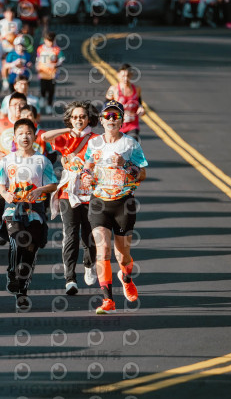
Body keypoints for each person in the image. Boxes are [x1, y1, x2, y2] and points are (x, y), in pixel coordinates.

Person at [81, 100, 148, 315]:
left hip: (123, 203)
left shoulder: (130, 144)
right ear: (101, 120)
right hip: (99, 202)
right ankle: (108, 300)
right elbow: (87, 167)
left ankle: (126, 277)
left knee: (122, 256)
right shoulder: (94, 143)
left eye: (115, 116)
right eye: (107, 116)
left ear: (121, 121)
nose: (111, 119)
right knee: (103, 251)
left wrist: (125, 165)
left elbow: (142, 173)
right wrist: (85, 177)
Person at [0, 118, 58, 310]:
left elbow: (53, 184)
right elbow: (0, 182)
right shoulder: (7, 160)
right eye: (21, 133)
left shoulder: (42, 160)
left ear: (35, 137)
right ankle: (12, 272)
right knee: (16, 240)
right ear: (14, 137)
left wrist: (41, 190)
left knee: (30, 249)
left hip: (35, 209)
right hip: (13, 208)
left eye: (29, 133)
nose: (25, 136)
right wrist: (5, 193)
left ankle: (22, 291)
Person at [42, 101, 99, 295]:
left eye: (82, 116)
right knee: (71, 234)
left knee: (89, 234)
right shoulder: (65, 137)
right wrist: (67, 130)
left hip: (90, 194)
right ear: (70, 119)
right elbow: (44, 137)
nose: (78, 120)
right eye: (74, 117)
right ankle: (70, 279)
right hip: (68, 192)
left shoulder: (97, 140)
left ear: (89, 118)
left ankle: (89, 264)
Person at [0, 91, 27, 230]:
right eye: (14, 105)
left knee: (21, 206)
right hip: (1, 172)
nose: (18, 108)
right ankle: (4, 230)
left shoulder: (29, 126)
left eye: (21, 105)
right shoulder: (0, 124)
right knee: (1, 204)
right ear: (8, 107)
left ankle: (18, 232)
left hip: (23, 174)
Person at [105, 64, 142, 140]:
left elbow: (139, 105)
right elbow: (105, 109)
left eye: (128, 76)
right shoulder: (113, 89)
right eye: (123, 76)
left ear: (131, 75)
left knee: (132, 142)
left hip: (132, 125)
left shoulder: (137, 89)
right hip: (117, 126)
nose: (125, 78)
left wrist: (141, 109)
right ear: (118, 75)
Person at [36, 31, 65, 115]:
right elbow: (38, 58)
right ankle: (42, 97)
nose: (50, 43)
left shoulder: (57, 49)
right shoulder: (40, 48)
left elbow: (61, 59)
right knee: (43, 87)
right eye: (48, 41)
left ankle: (49, 105)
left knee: (51, 90)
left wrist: (56, 65)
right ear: (45, 40)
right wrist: (37, 65)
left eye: (52, 41)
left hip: (52, 74)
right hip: (43, 72)